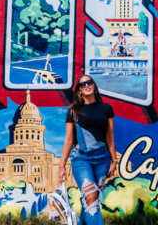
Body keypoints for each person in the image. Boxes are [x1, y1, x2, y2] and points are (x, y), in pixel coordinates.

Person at [58, 75, 117, 225]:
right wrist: (61, 166)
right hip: (81, 159)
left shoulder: (106, 108)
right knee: (91, 198)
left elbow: (109, 136)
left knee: (92, 201)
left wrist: (114, 160)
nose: (86, 85)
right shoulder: (73, 111)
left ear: (94, 85)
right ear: (79, 90)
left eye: (89, 82)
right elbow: (69, 139)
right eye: (82, 84)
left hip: (103, 159)